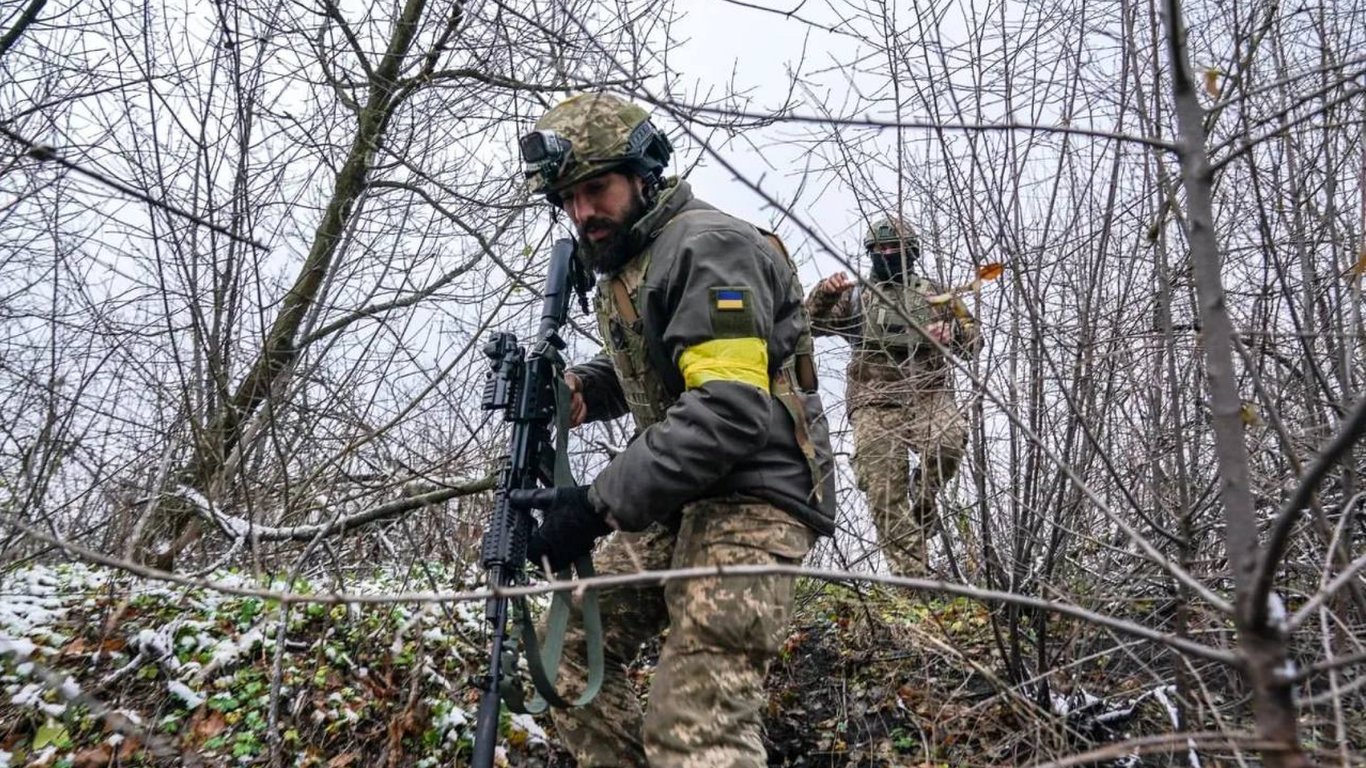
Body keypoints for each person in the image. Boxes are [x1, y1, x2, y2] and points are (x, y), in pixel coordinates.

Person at [505, 92, 838, 768]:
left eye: (596, 189)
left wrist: (596, 504)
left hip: (753, 497)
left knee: (695, 727)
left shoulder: (708, 245)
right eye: (568, 198)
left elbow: (728, 409)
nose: (582, 212)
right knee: (562, 662)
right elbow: (666, 361)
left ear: (643, 174)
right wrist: (579, 392)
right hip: (681, 496)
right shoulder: (636, 258)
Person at [804, 216, 980, 577]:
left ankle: (924, 498)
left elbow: (974, 341)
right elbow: (809, 325)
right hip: (873, 398)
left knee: (947, 443)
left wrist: (953, 334)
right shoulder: (855, 297)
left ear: (910, 252)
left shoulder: (939, 295)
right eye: (878, 250)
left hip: (928, 392)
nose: (884, 255)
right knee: (884, 489)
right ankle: (915, 581)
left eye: (892, 249)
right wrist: (825, 293)